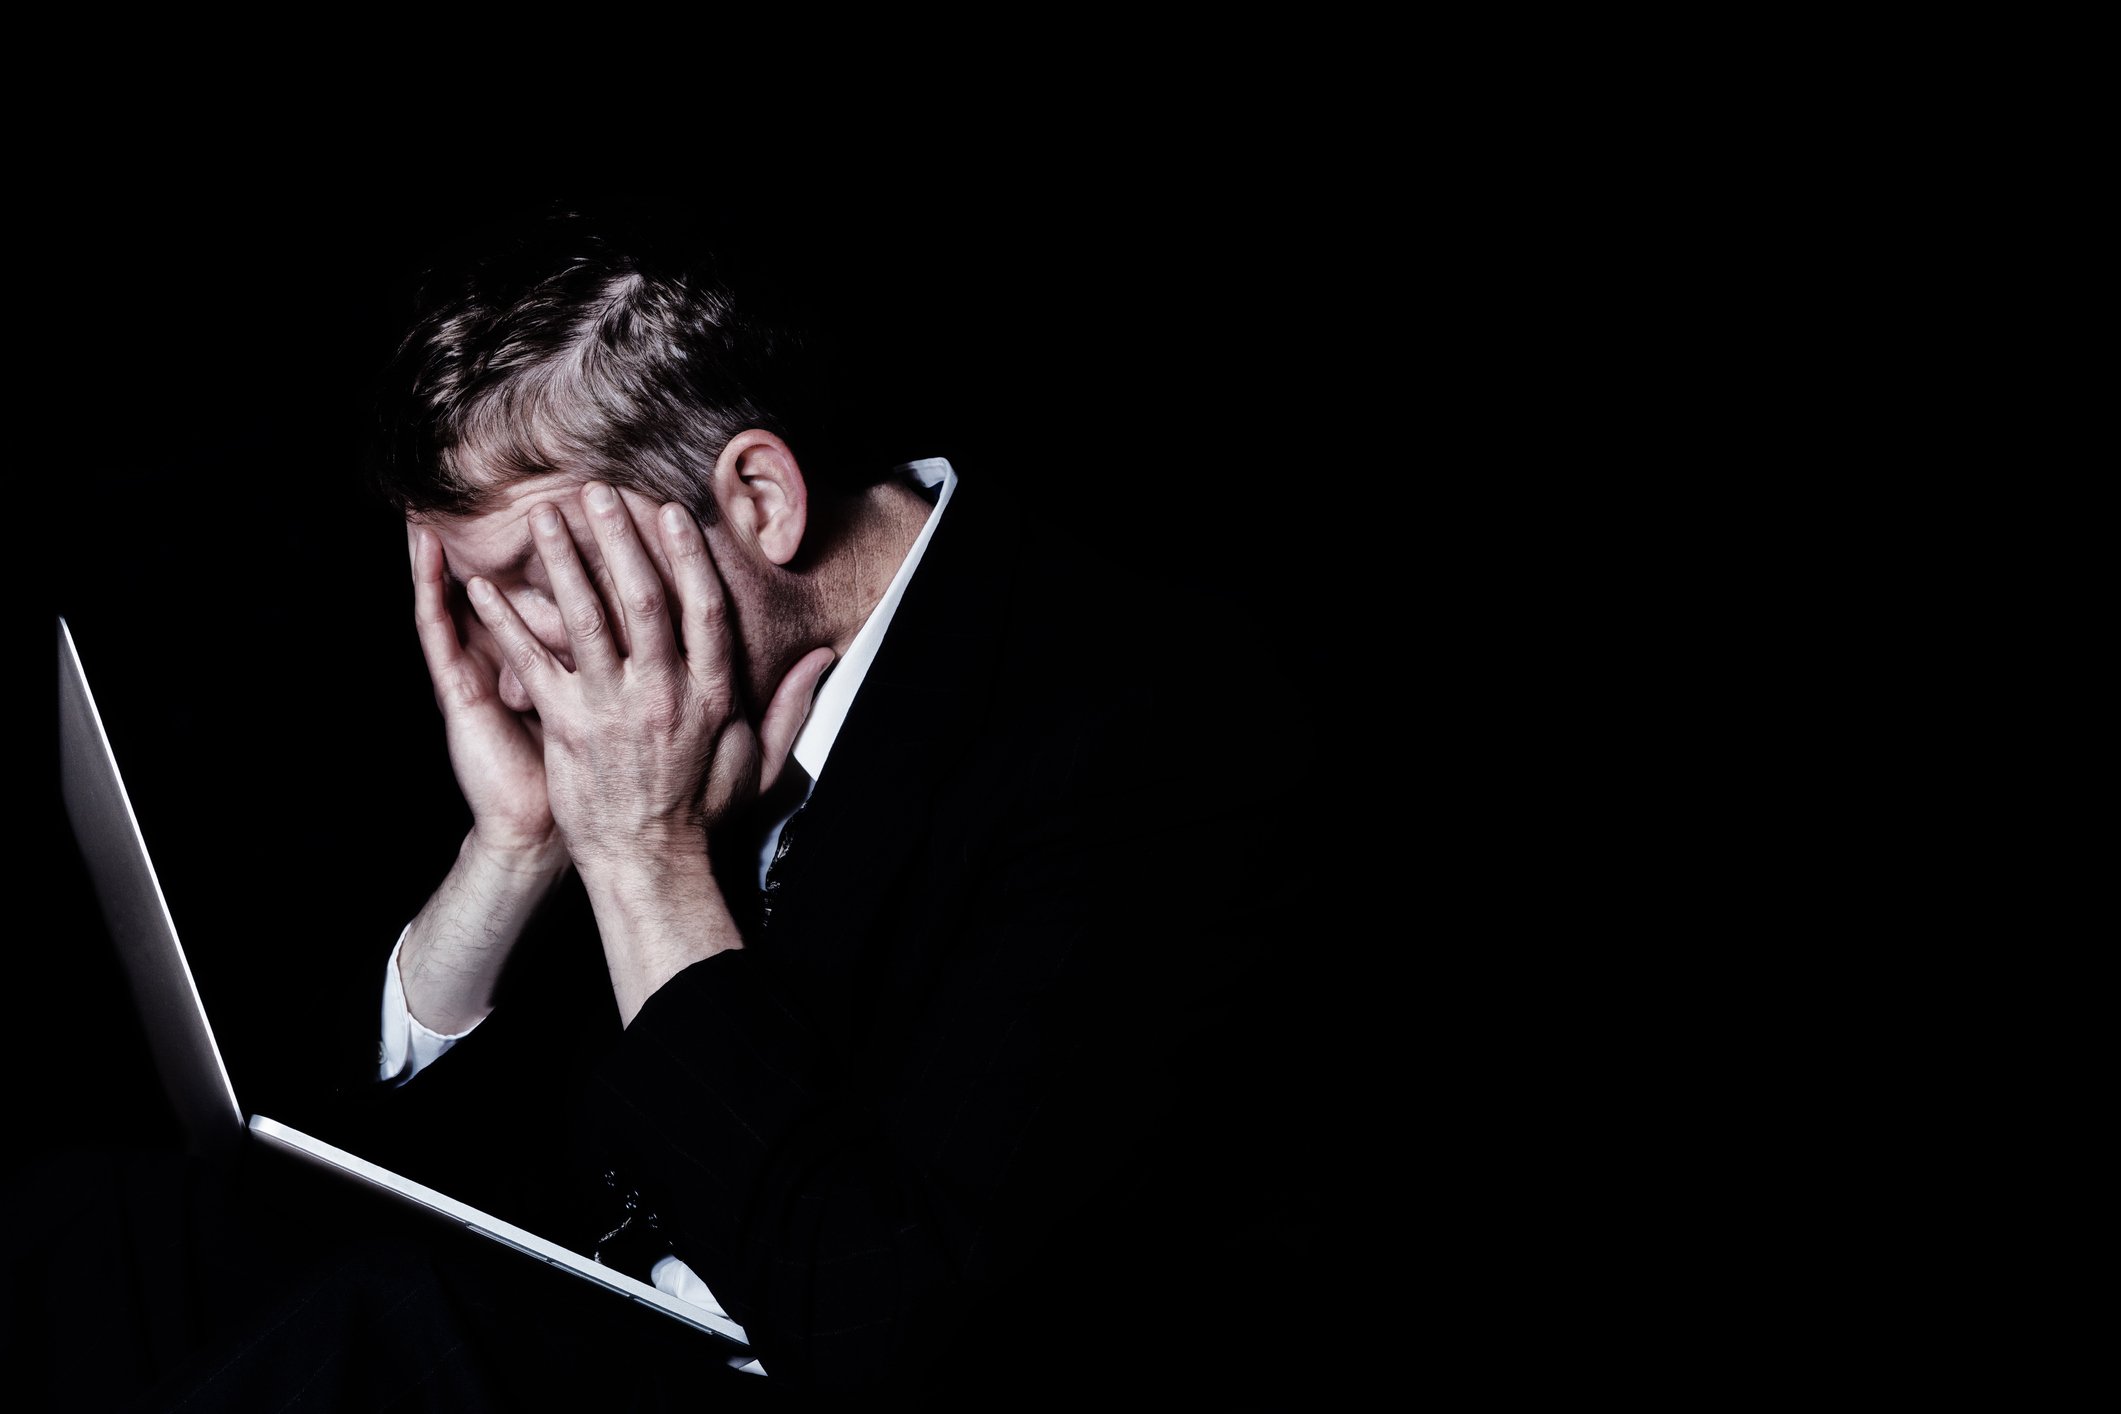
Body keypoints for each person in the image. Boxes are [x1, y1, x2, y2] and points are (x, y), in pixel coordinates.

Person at [27, 204, 1334, 1408]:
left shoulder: (1148, 730)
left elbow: (881, 1321)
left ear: (756, 499)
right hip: (560, 1315)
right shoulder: (671, 712)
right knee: (109, 1234)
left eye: (536, 573)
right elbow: (420, 1184)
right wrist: (520, 847)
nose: (494, 659)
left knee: (383, 1333)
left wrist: (646, 859)